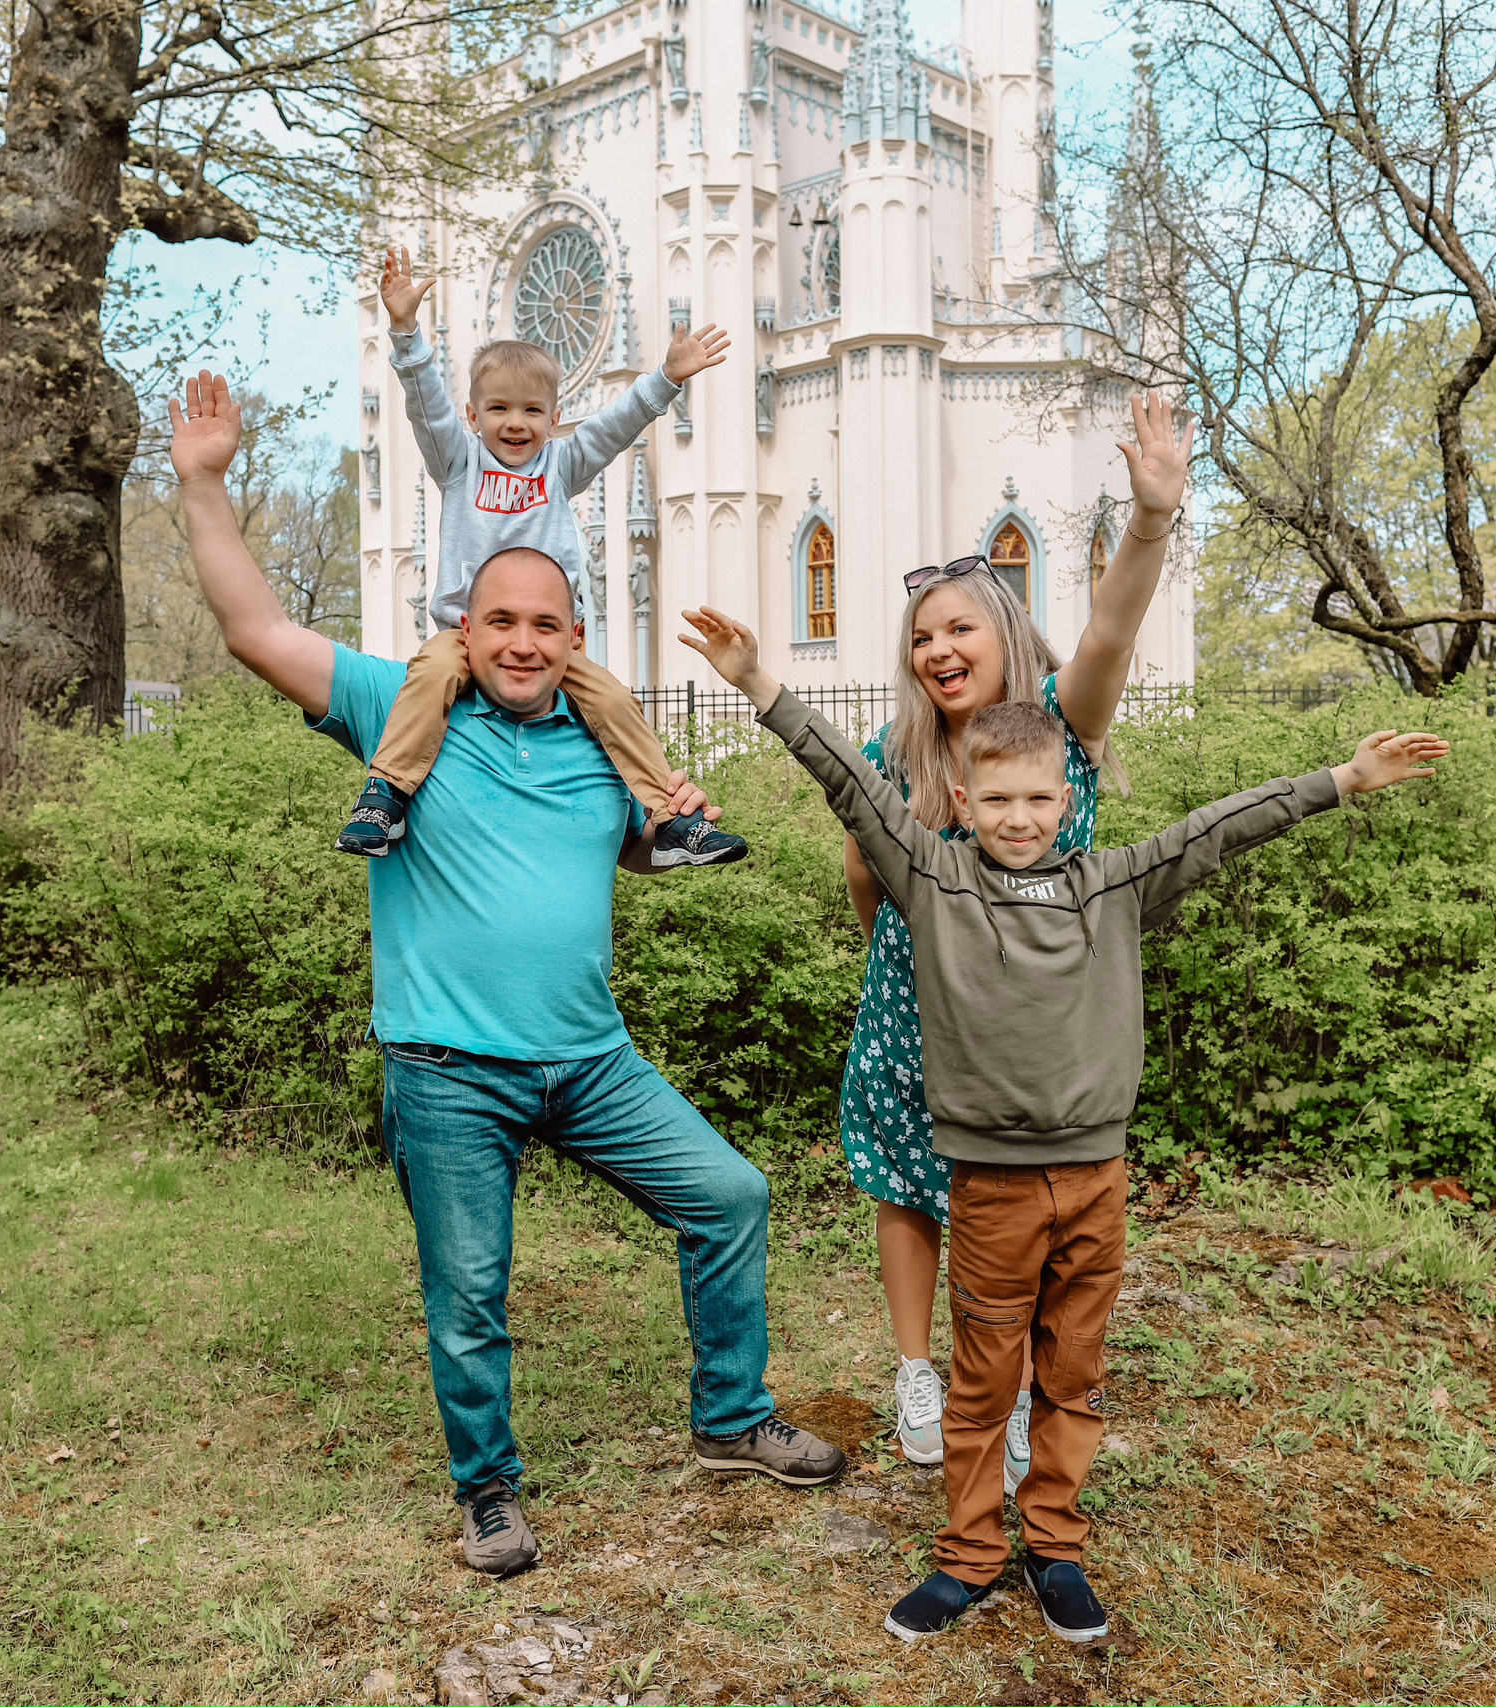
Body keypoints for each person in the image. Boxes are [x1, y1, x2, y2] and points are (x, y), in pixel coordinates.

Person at [169, 370, 847, 1581]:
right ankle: (487, 1493)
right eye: (500, 624)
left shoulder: (604, 743)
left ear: (574, 639)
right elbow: (253, 632)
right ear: (462, 634)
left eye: (546, 625)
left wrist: (679, 824)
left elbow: (628, 858)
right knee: (470, 1295)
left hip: (590, 1060)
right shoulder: (400, 712)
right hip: (447, 1069)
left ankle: (730, 1419)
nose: (523, 642)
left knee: (729, 1196)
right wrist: (204, 483)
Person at [678, 603, 1449, 1644]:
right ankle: (966, 1559)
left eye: (1038, 797)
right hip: (989, 1187)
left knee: (1071, 1378)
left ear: (1065, 799)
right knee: (984, 1377)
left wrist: (1341, 781)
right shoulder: (937, 881)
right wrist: (759, 686)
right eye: (996, 797)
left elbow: (1221, 826)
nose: (1018, 816)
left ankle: (1056, 1549)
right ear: (963, 798)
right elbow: (850, 789)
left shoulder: (1113, 885)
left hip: (1095, 1182)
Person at [844, 391, 1189, 1489]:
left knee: (1034, 1213)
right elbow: (862, 877)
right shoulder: (891, 751)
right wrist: (905, 964)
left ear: (1001, 632)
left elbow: (1113, 629)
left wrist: (1147, 521)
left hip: (1037, 1037)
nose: (939, 649)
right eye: (921, 638)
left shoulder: (1059, 723)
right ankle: (916, 1375)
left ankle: (1034, 1394)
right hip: (911, 1009)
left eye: (958, 627)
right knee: (907, 1188)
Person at [338, 246, 746, 871]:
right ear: (473, 416)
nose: (515, 422)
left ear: (554, 417)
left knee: (612, 699)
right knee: (427, 677)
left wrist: (665, 379)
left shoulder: (562, 465)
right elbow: (424, 401)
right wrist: (404, 332)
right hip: (465, 636)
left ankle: (670, 820)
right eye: (498, 408)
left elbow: (615, 424)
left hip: (555, 645)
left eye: (532, 410)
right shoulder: (458, 462)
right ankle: (386, 794)